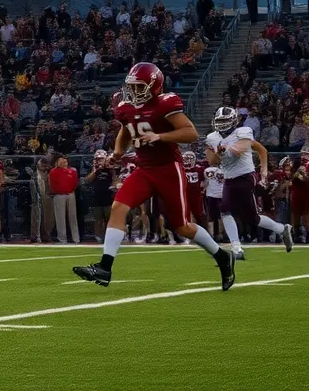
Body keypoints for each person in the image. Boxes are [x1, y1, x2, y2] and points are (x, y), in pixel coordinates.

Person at [72, 62, 235, 290]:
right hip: (144, 169)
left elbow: (190, 133)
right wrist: (118, 153)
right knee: (119, 207)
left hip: (168, 169)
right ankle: (105, 267)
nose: (133, 92)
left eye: (139, 87)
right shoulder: (126, 107)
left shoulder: (164, 104)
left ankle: (221, 256)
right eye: (131, 86)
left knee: (181, 226)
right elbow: (125, 130)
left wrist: (159, 136)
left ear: (154, 86)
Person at [205, 107, 293, 260]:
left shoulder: (244, 131)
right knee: (238, 214)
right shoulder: (212, 137)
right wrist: (218, 153)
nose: (222, 124)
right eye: (220, 121)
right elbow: (212, 162)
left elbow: (241, 150)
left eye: (225, 121)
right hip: (229, 179)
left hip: (246, 176)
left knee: (238, 213)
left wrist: (263, 172)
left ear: (234, 120)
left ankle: (239, 247)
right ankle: (241, 245)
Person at [48, 155, 79, 244]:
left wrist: (70, 190)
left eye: (65, 162)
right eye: (61, 162)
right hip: (59, 195)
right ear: (57, 163)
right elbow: (52, 184)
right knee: (60, 218)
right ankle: (62, 239)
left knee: (73, 216)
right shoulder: (53, 171)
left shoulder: (72, 171)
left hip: (70, 194)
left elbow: (75, 183)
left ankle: (76, 238)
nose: (63, 163)